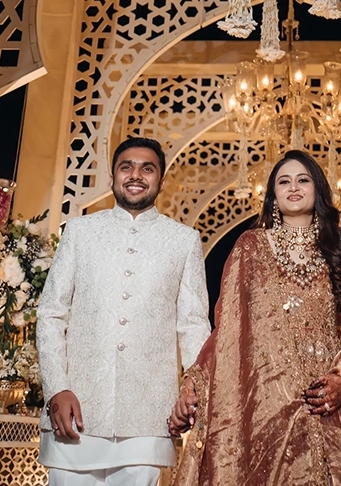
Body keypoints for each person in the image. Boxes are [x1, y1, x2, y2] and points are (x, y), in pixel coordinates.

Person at [168, 149, 341, 486]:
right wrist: (195, 378)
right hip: (265, 406)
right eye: (283, 182)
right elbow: (228, 330)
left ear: (318, 189)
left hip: (329, 403)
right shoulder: (250, 248)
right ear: (273, 195)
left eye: (303, 180)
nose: (294, 187)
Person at [38, 136, 211, 486]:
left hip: (148, 417)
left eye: (147, 168)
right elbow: (51, 314)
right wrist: (57, 388)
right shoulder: (80, 232)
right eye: (126, 167)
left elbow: (193, 324)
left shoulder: (183, 240)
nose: (136, 175)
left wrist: (195, 391)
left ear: (160, 180)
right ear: (113, 176)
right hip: (76, 409)